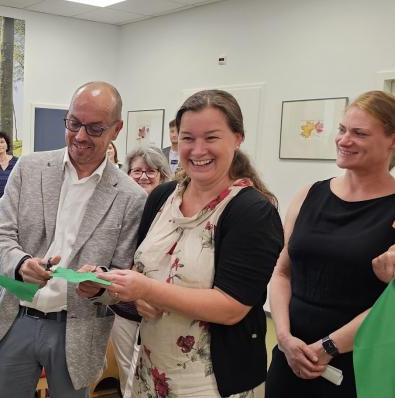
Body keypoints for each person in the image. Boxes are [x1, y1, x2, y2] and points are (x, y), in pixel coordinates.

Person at [99, 89, 283, 397]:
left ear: (237, 139)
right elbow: (141, 266)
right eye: (187, 138)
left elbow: (231, 307)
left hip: (211, 381)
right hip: (151, 369)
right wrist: (136, 295)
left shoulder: (252, 212)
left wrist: (146, 290)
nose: (197, 150)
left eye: (211, 137)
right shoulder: (162, 196)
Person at [0, 81, 146, 397]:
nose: (81, 136)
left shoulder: (131, 197)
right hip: (16, 317)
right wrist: (20, 264)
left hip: (78, 329)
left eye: (95, 129)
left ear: (116, 129)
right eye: (74, 124)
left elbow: (122, 276)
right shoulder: (29, 168)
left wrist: (101, 286)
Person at [266, 90, 395, 398]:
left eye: (359, 133)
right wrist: (283, 337)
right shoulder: (309, 194)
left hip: (358, 363)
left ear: (392, 141)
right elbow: (282, 272)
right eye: (342, 129)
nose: (343, 140)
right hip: (291, 356)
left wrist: (328, 347)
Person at [111, 145, 172, 396]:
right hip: (123, 306)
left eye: (150, 171)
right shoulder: (121, 205)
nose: (143, 176)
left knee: (153, 374)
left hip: (158, 306)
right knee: (128, 370)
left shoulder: (172, 208)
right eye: (137, 171)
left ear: (163, 175)